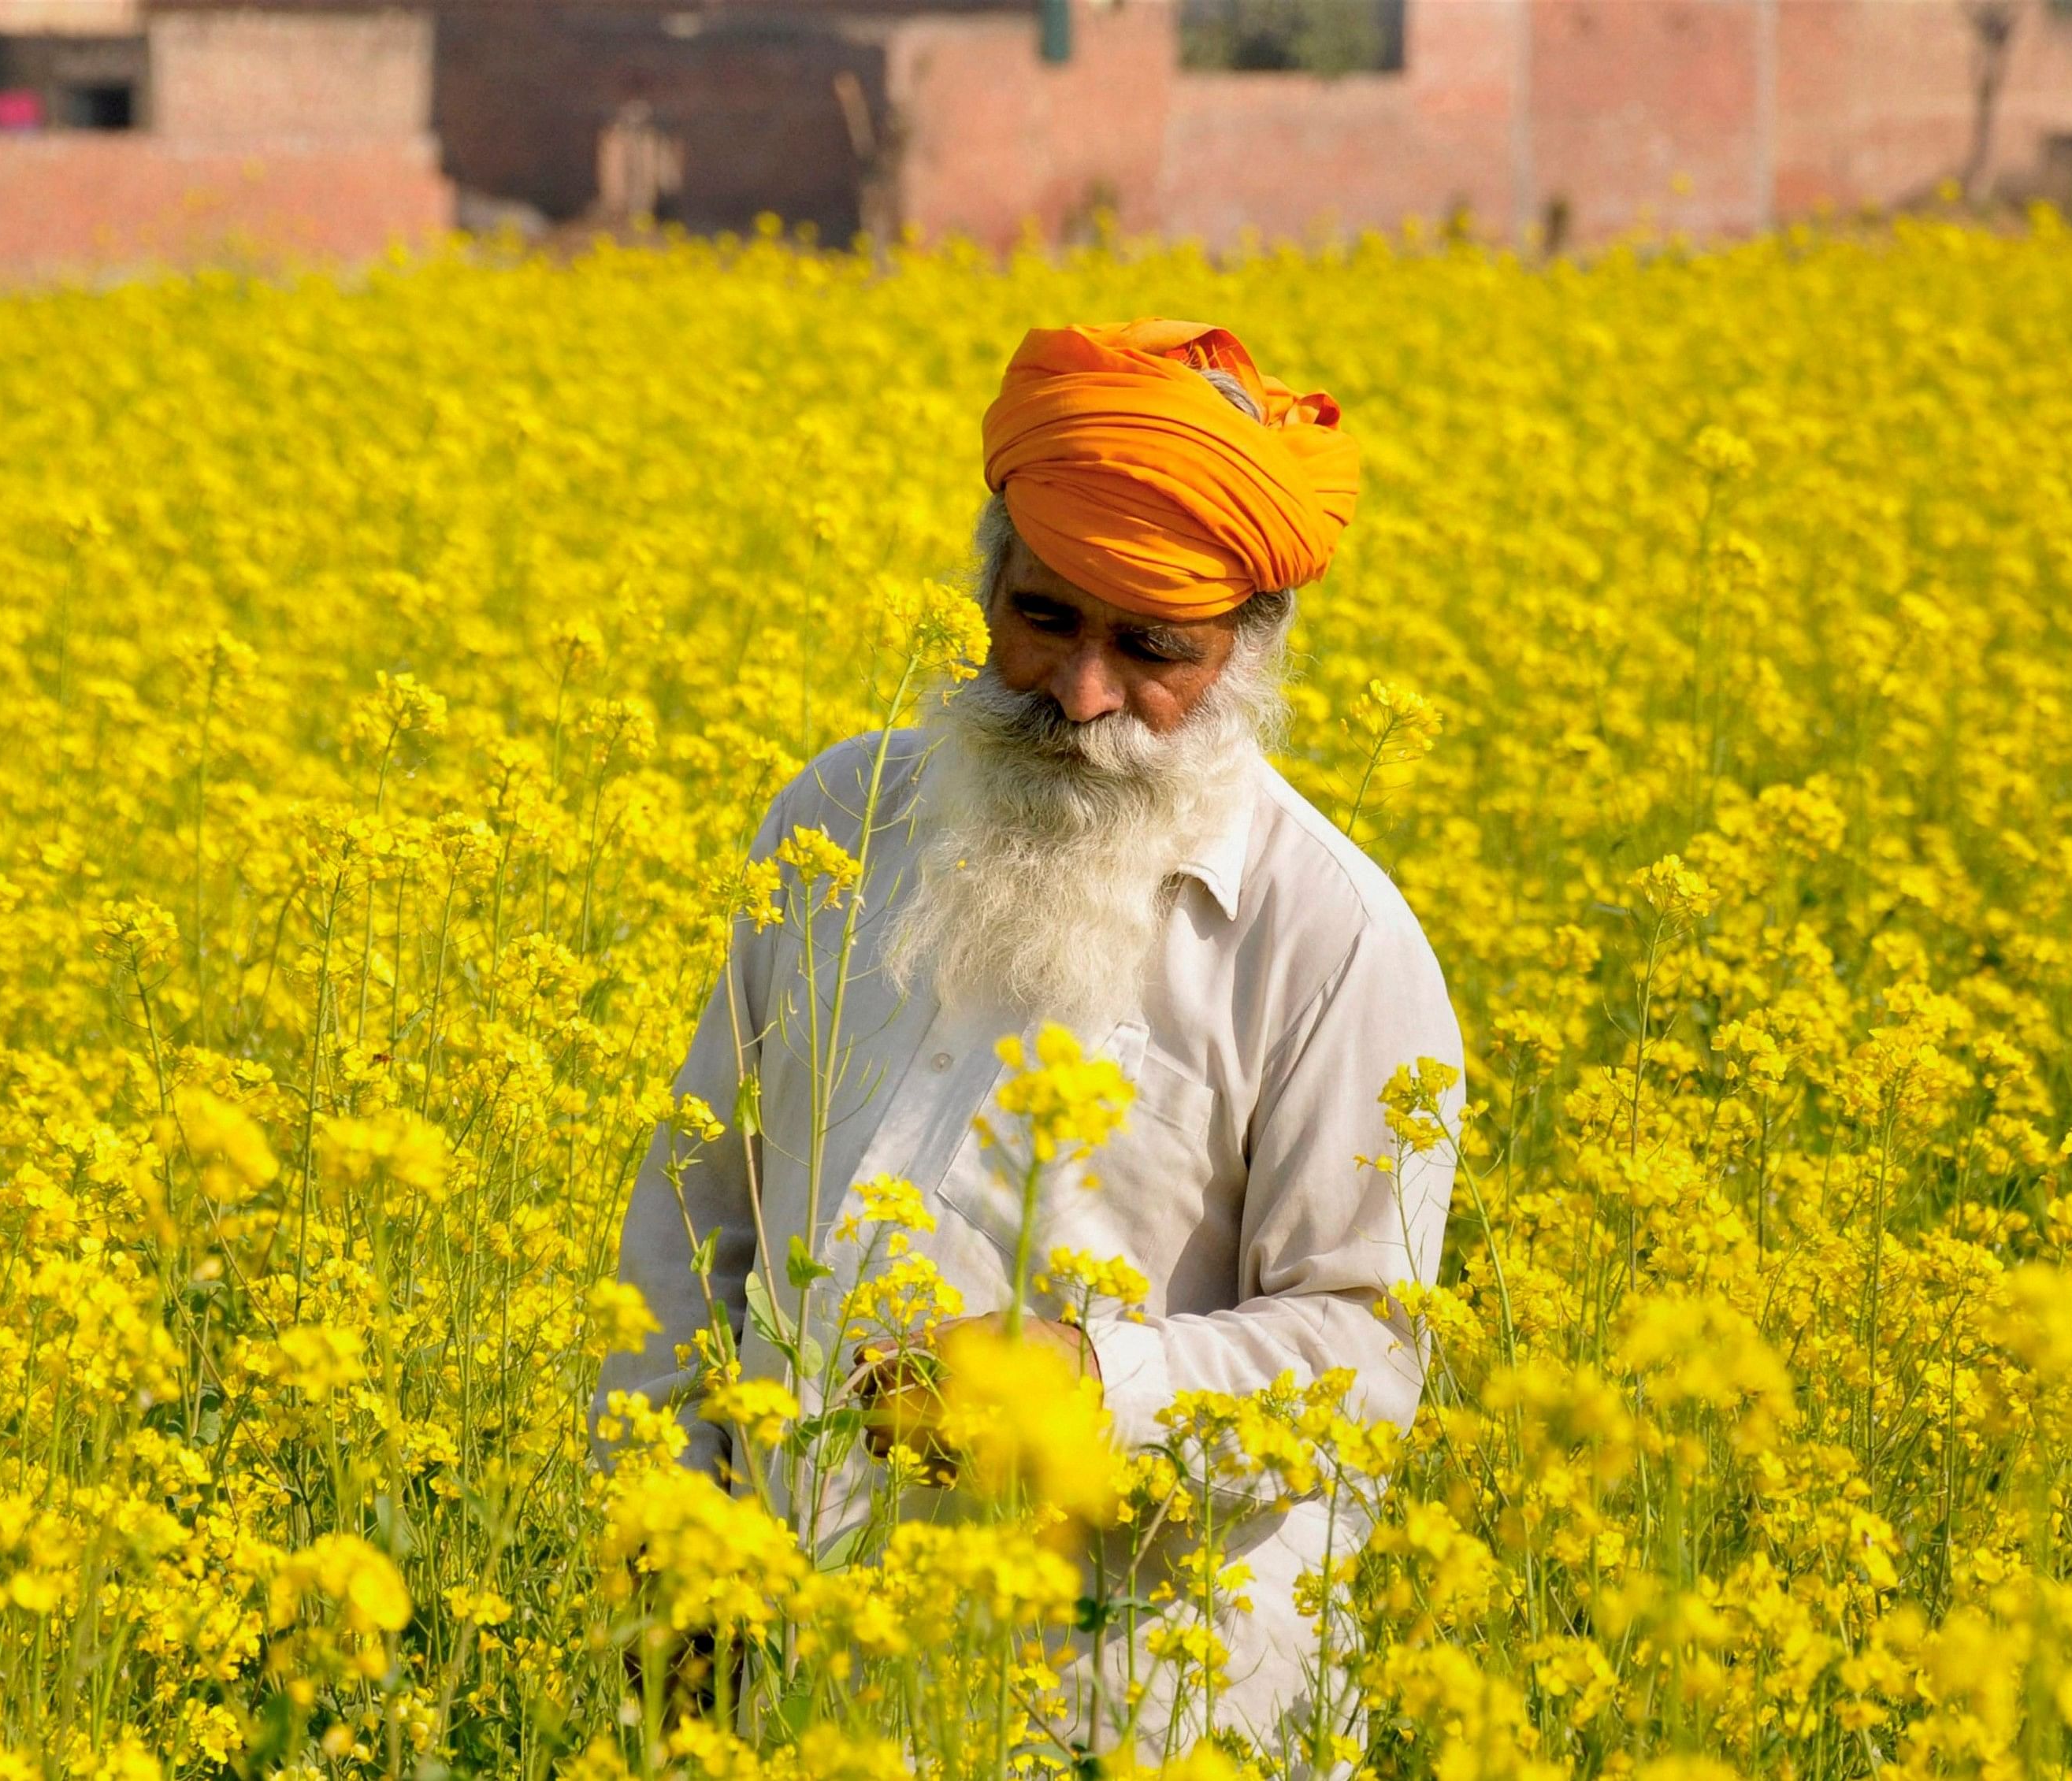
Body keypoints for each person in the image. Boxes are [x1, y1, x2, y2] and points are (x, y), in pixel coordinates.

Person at [600, 319, 1464, 1769]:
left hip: (1126, 1711)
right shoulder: (833, 823)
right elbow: (693, 1224)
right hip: (795, 1690)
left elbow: (1364, 1359)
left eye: (1153, 648)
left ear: (1249, 651)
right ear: (988, 583)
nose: (1080, 695)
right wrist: (662, 1565)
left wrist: (1084, 1381)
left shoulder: (1335, 941)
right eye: (1047, 619)